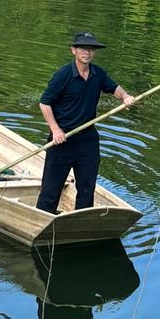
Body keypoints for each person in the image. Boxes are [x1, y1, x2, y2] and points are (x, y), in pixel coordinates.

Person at [37, 31, 134, 213]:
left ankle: (81, 221)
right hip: (62, 139)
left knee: (87, 188)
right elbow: (45, 103)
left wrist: (125, 97)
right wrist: (56, 130)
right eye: (83, 48)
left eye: (91, 49)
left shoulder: (98, 74)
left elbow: (114, 88)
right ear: (73, 50)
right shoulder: (63, 75)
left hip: (88, 140)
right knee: (51, 189)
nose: (87, 52)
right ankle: (42, 219)